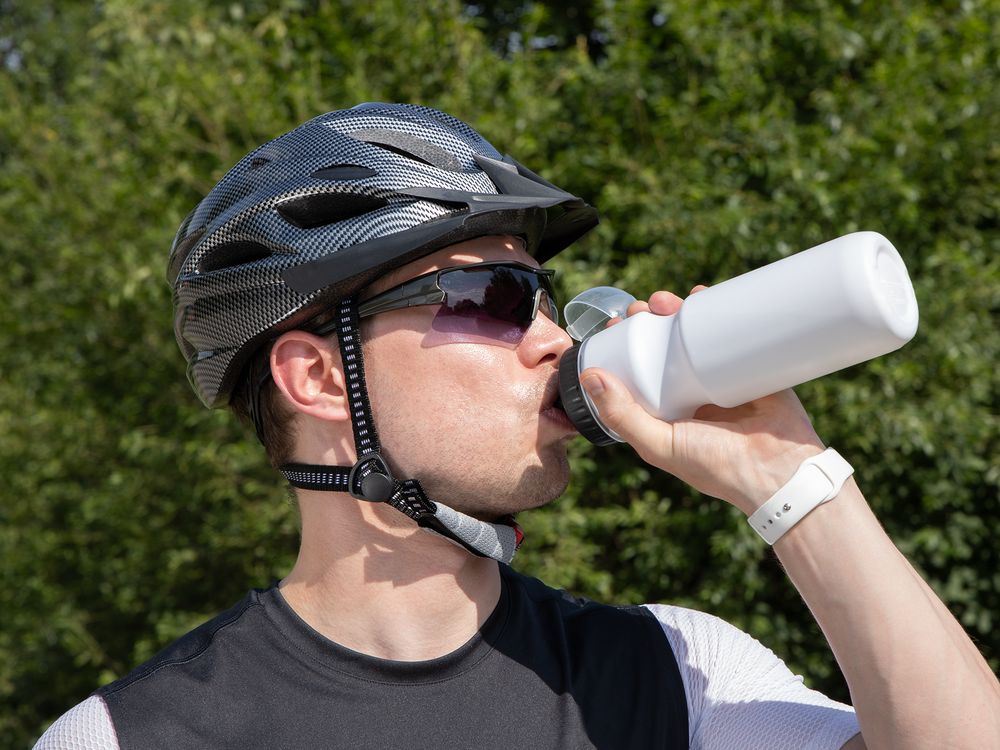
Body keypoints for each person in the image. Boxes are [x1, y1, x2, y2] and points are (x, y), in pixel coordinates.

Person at [34, 103, 999, 750]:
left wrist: (787, 477)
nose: (549, 340)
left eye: (544, 298)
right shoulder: (126, 737)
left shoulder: (673, 674)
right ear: (320, 375)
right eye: (493, 296)